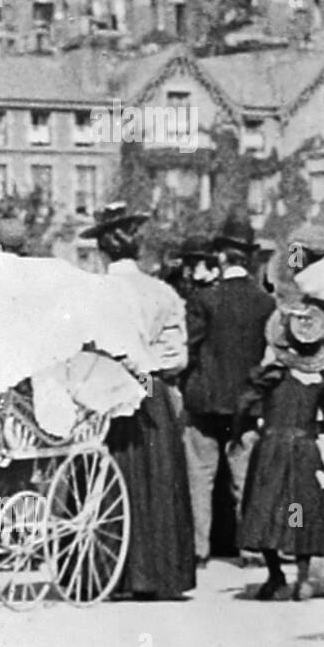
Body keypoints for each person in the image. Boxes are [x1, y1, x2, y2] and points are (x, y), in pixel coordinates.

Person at [87, 203, 195, 599]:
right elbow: (176, 356)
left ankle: (109, 570)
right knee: (157, 469)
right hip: (151, 386)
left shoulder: (91, 291)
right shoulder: (162, 292)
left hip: (101, 388)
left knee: (107, 469)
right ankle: (157, 571)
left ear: (102, 249)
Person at [182, 214, 276, 567]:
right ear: (250, 257)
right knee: (245, 477)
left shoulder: (205, 299)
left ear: (220, 255)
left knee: (199, 479)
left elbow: (188, 348)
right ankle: (251, 550)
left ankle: (198, 550)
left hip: (204, 402)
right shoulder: (265, 302)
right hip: (246, 405)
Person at [237, 304, 324, 600]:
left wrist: (249, 425)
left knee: (267, 508)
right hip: (305, 450)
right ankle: (303, 578)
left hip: (272, 447)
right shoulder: (322, 382)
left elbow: (246, 404)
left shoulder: (272, 376)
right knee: (300, 510)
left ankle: (275, 575)